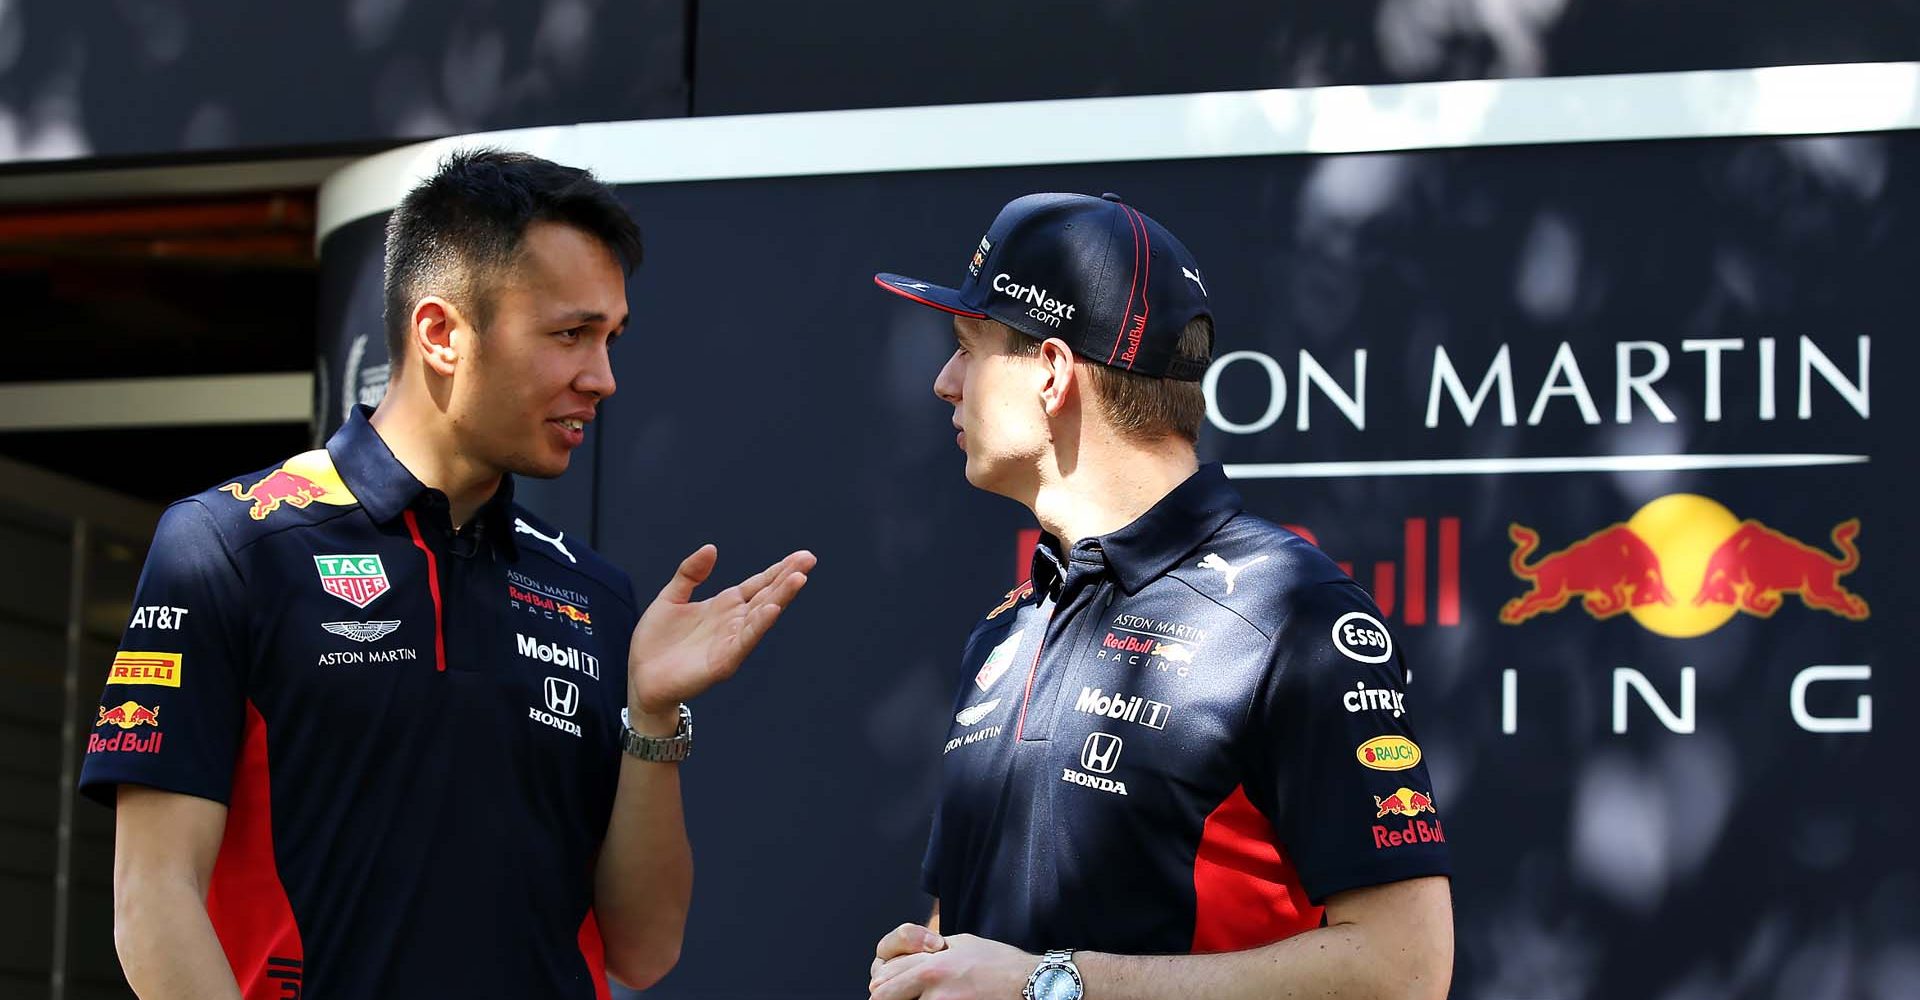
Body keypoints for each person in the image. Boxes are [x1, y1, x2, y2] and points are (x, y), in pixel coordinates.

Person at [79, 149, 814, 999]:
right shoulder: (226, 547)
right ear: (441, 334)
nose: (602, 378)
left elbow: (643, 952)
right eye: (570, 334)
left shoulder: (596, 596)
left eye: (611, 339)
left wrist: (651, 715)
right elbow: (152, 901)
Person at [865, 192, 1451, 1000]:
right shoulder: (1008, 627)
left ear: (1051, 373)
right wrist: (930, 962)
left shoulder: (1293, 616)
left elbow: (1406, 969)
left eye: (968, 346)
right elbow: (985, 947)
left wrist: (1050, 985)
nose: (943, 381)